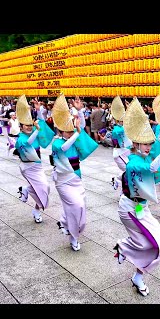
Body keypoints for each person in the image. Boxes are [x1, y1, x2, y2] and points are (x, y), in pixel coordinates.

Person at [113, 98, 160, 297]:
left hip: (141, 208)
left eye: (149, 144)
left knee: (157, 244)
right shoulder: (133, 163)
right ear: (135, 143)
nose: (148, 147)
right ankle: (126, 252)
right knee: (152, 245)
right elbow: (151, 168)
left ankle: (136, 273)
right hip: (129, 209)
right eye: (144, 144)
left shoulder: (144, 154)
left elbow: (159, 143)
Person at [50, 94, 99, 251]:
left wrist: (78, 111)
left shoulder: (74, 138)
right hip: (63, 182)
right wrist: (76, 133)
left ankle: (65, 222)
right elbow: (65, 147)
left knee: (80, 208)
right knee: (76, 206)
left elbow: (81, 128)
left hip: (76, 180)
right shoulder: (57, 144)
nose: (70, 133)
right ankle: (74, 236)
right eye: (67, 131)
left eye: (72, 131)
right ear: (60, 130)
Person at [14, 94, 55, 223]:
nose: (29, 127)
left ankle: (33, 203)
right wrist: (36, 131)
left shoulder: (33, 132)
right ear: (21, 126)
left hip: (38, 166)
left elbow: (42, 125)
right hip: (27, 167)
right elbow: (28, 144)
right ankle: (36, 208)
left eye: (30, 125)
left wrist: (38, 110)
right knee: (42, 188)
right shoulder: (20, 139)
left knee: (45, 188)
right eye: (26, 125)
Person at [109, 96, 133, 190]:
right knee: (129, 170)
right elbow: (116, 141)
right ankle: (122, 187)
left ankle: (119, 182)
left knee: (131, 171)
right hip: (120, 153)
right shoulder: (117, 130)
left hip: (127, 152)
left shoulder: (125, 126)